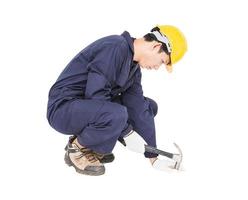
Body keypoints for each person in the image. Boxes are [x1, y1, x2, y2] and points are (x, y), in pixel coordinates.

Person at [46, 25, 187, 176]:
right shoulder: (115, 47)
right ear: (156, 46)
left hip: (87, 108)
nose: (157, 67)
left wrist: (153, 156)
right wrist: (127, 132)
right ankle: (78, 148)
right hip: (63, 109)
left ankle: (95, 148)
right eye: (161, 61)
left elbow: (137, 107)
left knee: (149, 107)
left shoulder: (133, 68)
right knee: (117, 114)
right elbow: (96, 94)